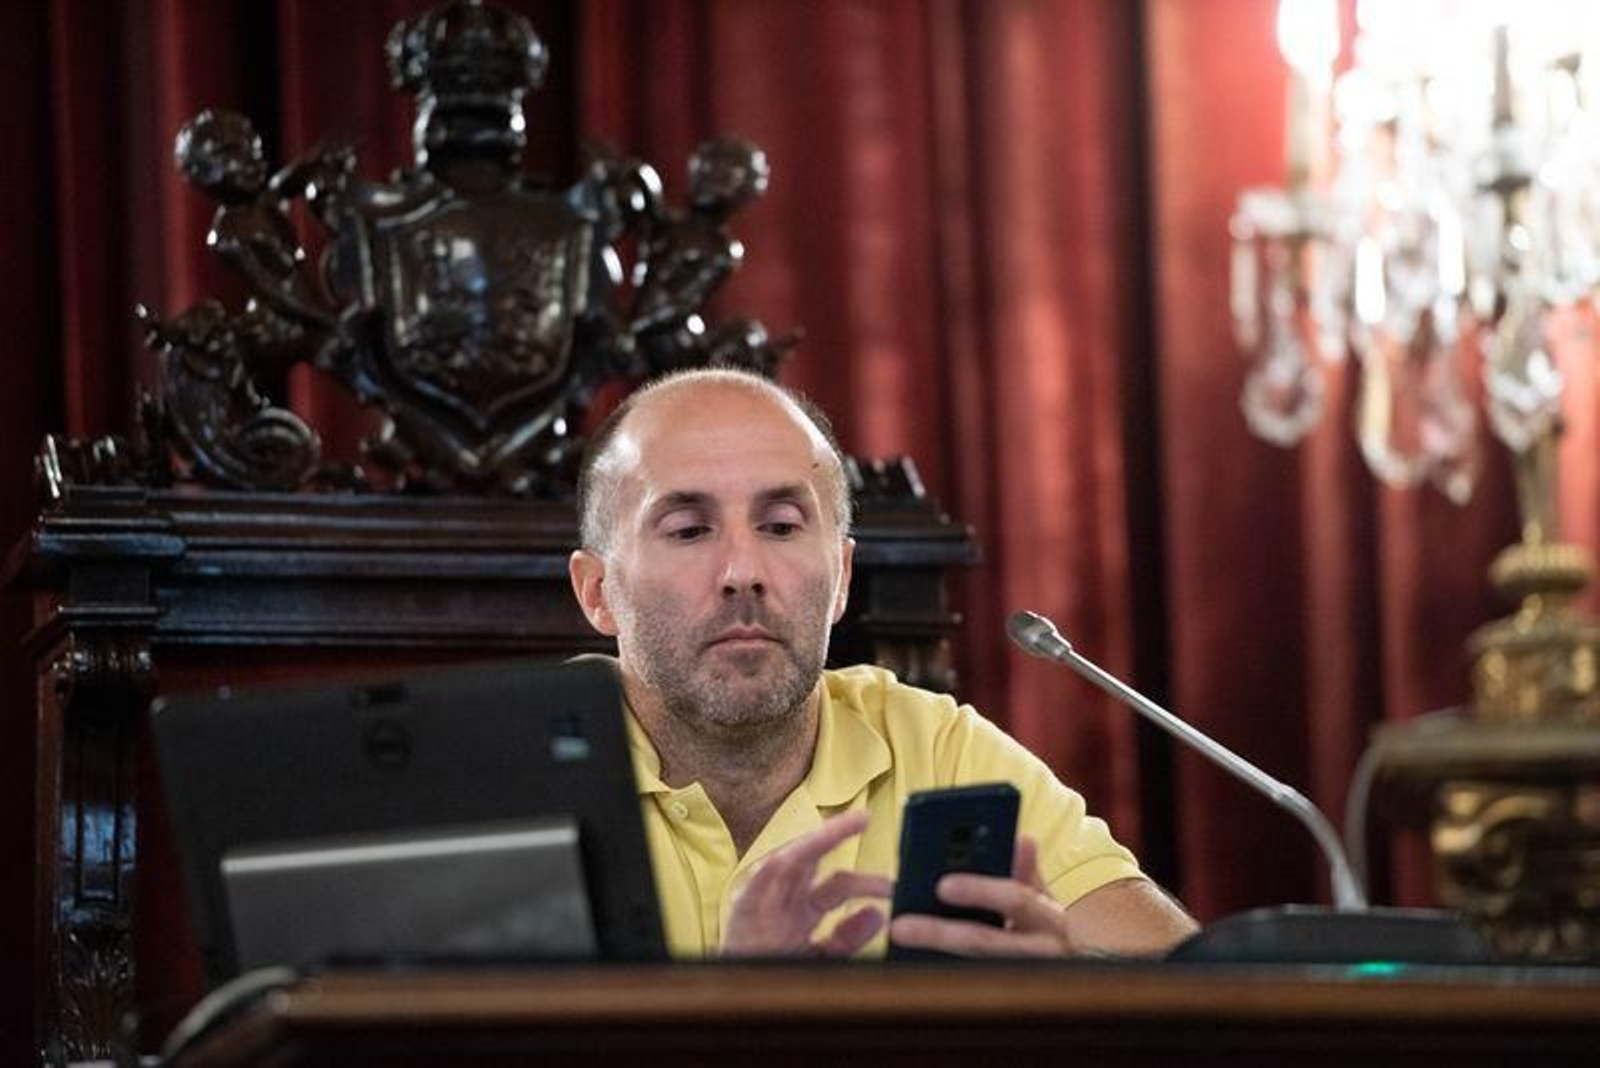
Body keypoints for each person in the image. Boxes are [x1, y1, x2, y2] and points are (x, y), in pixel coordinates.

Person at [568, 367, 1197, 958]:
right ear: (597, 593)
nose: (743, 573)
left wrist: (1065, 996)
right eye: (687, 531)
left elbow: (1191, 1005)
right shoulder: (512, 771)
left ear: (842, 577)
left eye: (782, 526)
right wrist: (737, 1016)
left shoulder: (939, 752)